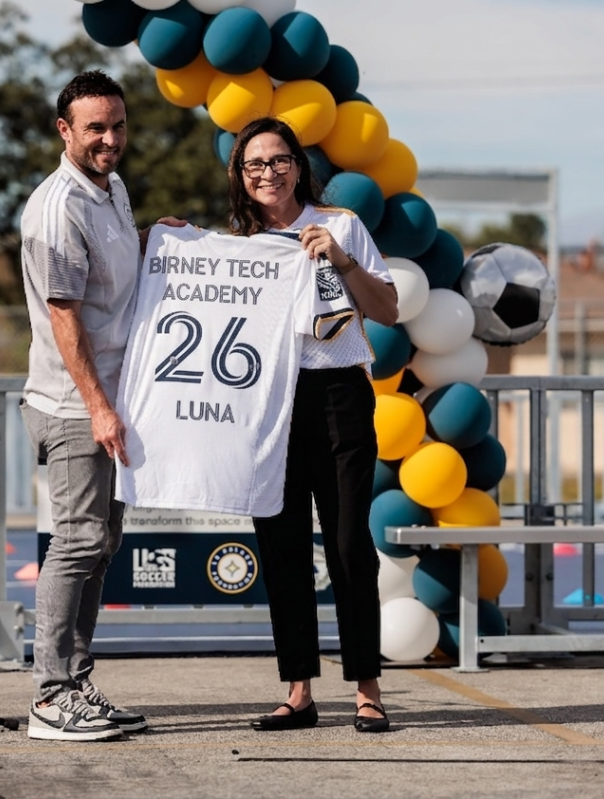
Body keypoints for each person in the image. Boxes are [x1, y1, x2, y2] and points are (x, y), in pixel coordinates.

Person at [227, 117, 400, 734]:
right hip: (269, 404)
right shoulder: (238, 245)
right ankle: (298, 691)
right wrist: (169, 239)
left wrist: (342, 260)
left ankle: (367, 689)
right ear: (240, 176)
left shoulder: (341, 226)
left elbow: (388, 309)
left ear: (299, 166)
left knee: (350, 545)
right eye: (254, 164)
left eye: (278, 160)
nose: (268, 173)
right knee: (282, 548)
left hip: (338, 396)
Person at [20, 70, 177, 742]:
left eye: (118, 125)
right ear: (65, 131)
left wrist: (152, 240)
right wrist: (98, 408)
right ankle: (50, 695)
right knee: (78, 541)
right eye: (95, 128)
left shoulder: (112, 189)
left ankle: (76, 683)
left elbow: (108, 272)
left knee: (101, 543)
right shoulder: (59, 207)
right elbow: (66, 317)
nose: (110, 139)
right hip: (74, 404)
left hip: (112, 397)